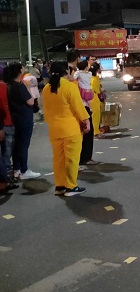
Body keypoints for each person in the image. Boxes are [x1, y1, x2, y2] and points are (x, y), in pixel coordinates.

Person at [42, 61, 90, 197]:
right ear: (67, 71)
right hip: (70, 129)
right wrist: (86, 121)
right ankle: (71, 186)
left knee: (58, 159)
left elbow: (46, 110)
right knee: (71, 158)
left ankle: (60, 186)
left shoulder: (47, 88)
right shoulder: (69, 87)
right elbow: (78, 107)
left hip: (54, 129)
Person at [4, 63, 39, 180]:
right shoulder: (20, 86)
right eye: (22, 68)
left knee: (17, 144)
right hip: (24, 118)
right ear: (19, 71)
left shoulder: (9, 85)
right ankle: (24, 170)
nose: (24, 69)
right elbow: (30, 102)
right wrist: (28, 88)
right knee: (24, 144)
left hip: (15, 118)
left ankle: (17, 169)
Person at [90, 63, 103, 138]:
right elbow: (96, 90)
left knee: (94, 116)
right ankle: (96, 132)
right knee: (96, 116)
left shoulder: (91, 78)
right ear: (97, 70)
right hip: (94, 98)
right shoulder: (94, 79)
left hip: (91, 98)